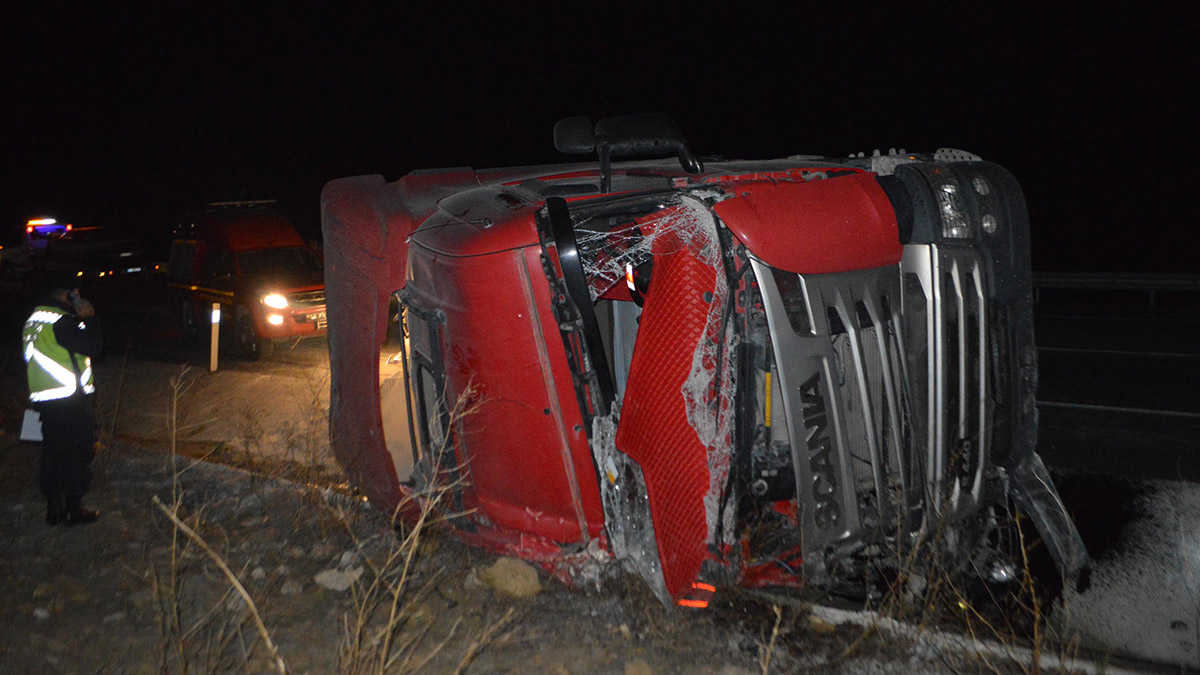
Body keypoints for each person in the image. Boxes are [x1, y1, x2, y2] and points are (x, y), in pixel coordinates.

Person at [22, 271, 103, 525]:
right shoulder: (62, 321)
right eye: (75, 293)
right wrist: (90, 319)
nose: (79, 297)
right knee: (78, 451)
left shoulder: (35, 319)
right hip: (69, 398)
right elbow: (95, 348)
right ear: (65, 294)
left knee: (53, 452)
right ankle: (74, 507)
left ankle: (54, 508)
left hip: (43, 397)